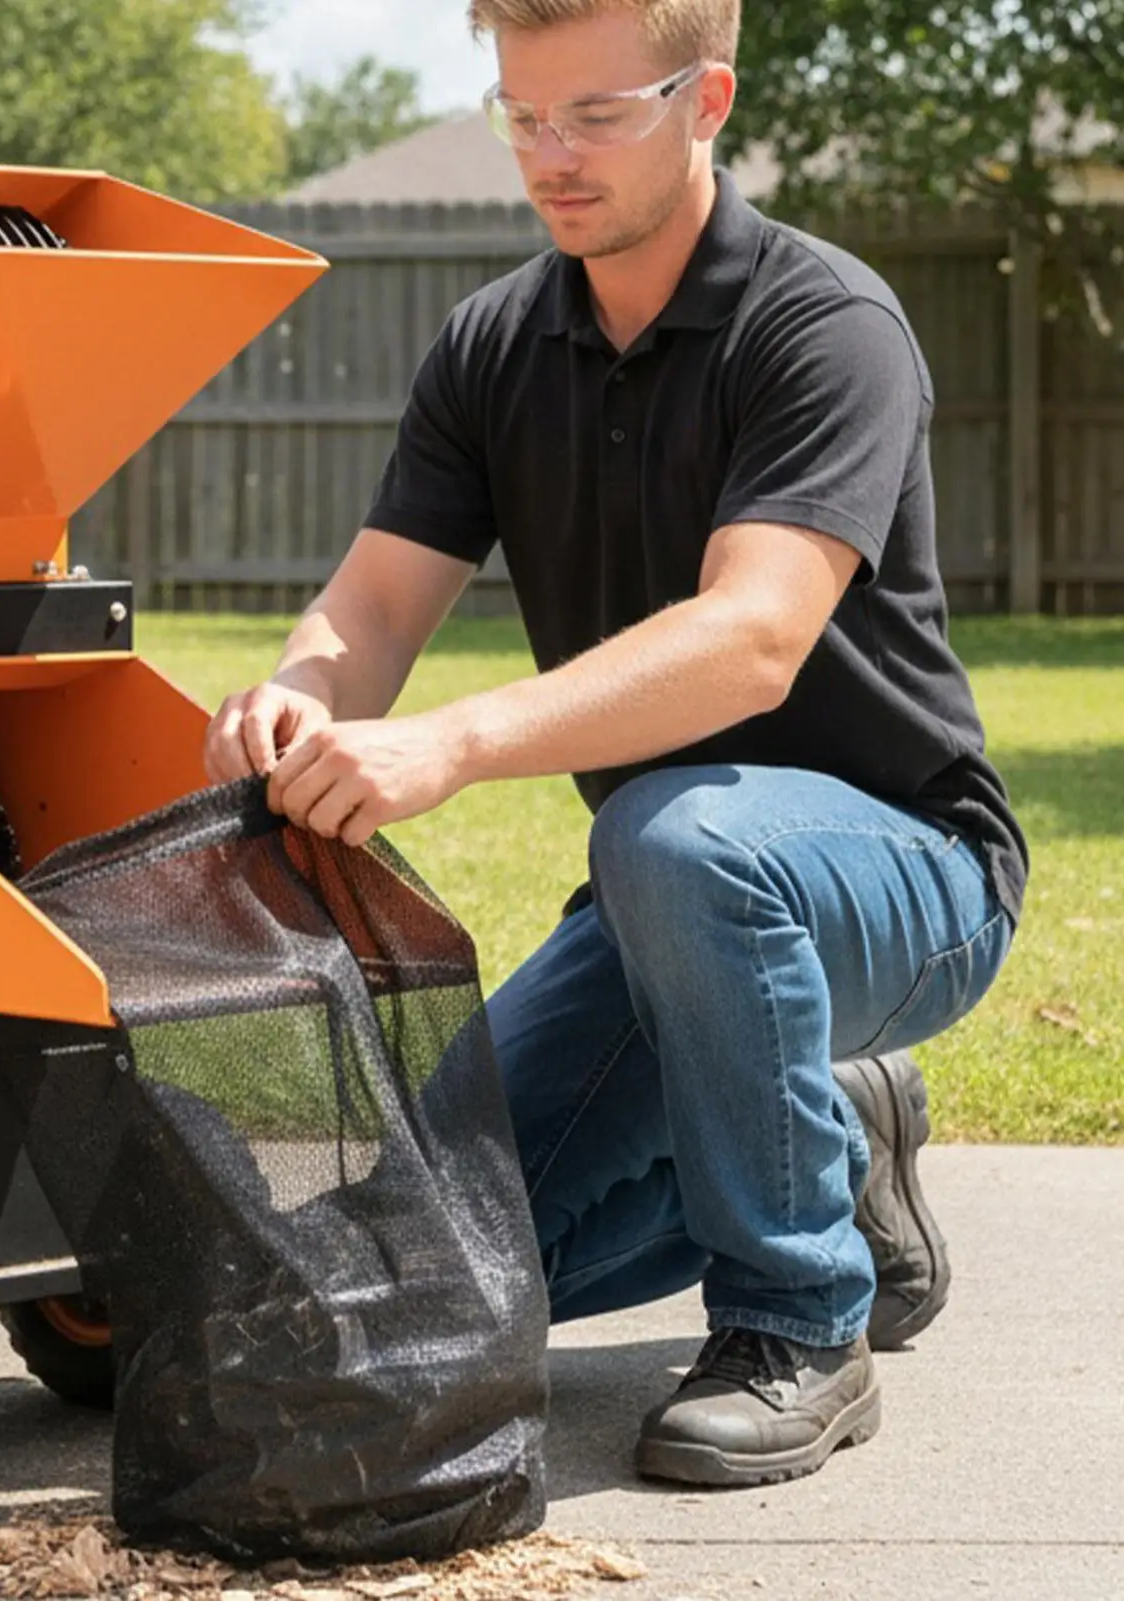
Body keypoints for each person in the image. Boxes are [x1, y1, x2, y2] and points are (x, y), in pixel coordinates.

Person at [202, 0, 1026, 1489]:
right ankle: (830, 1145)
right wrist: (301, 696)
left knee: (673, 836)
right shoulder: (496, 345)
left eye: (596, 115)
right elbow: (372, 606)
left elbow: (753, 635)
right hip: (664, 906)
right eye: (524, 116)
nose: (551, 156)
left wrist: (455, 743)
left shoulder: (823, 325)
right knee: (424, 1277)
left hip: (908, 873)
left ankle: (797, 1323)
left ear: (706, 100)